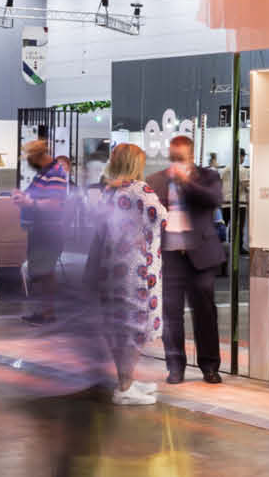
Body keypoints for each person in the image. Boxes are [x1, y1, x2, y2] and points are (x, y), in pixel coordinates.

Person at [143, 135, 225, 385]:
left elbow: (213, 200)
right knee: (171, 314)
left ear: (191, 156)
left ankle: (209, 366)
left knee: (205, 312)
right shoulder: (155, 180)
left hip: (201, 255)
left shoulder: (209, 177)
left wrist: (186, 182)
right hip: (169, 257)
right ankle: (175, 366)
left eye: (182, 157)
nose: (177, 161)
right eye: (174, 157)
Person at [93, 144, 167, 405]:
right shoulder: (140, 190)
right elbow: (162, 218)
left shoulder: (109, 191)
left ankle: (127, 380)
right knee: (137, 327)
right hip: (138, 270)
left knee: (121, 328)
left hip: (113, 266)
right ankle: (124, 387)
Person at [17, 140, 71, 324]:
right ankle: (44, 310)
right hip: (40, 230)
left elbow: (54, 204)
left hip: (49, 230)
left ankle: (48, 313)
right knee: (41, 271)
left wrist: (29, 202)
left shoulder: (55, 173)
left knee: (45, 271)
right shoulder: (43, 174)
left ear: (37, 157)